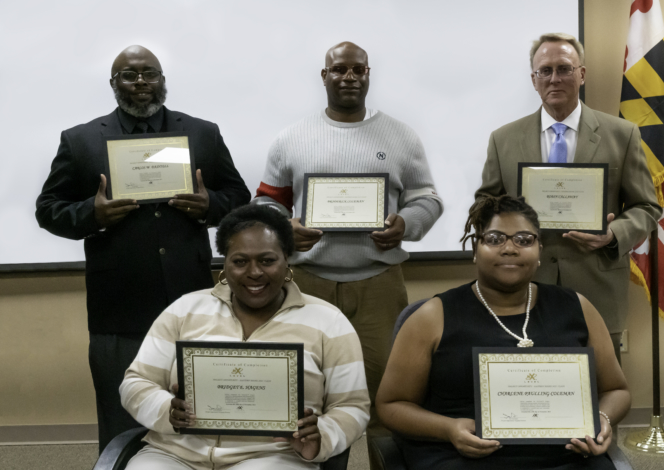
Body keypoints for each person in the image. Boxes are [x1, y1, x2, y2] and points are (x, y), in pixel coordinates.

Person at [35, 45, 251, 452]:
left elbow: (238, 195)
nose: (140, 84)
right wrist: (92, 213)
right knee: (122, 418)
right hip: (118, 306)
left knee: (202, 410)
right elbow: (48, 210)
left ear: (162, 79)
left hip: (192, 300)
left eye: (149, 74)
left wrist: (211, 207)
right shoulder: (80, 140)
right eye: (128, 76)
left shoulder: (202, 133)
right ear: (114, 84)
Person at [252, 41, 443, 464]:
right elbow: (267, 202)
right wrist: (286, 228)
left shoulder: (399, 135)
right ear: (325, 76)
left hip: (378, 286)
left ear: (368, 75)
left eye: (358, 70)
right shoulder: (292, 138)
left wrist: (405, 225)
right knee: (306, 401)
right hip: (306, 286)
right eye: (339, 70)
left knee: (386, 400)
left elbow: (427, 199)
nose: (349, 77)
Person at [376, 195, 631, 470]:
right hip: (461, 457)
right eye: (495, 238)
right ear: (476, 248)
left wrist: (602, 418)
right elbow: (392, 404)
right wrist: (448, 429)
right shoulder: (432, 316)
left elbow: (616, 389)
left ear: (540, 249)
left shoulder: (577, 307)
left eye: (524, 240)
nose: (510, 248)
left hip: (566, 456)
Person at [119, 204, 370, 469]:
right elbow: (136, 382)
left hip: (273, 456)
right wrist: (167, 410)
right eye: (240, 261)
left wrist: (321, 437)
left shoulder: (328, 321)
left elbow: (352, 405)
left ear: (287, 260)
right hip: (175, 452)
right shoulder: (185, 310)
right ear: (225, 264)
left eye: (267, 260)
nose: (254, 273)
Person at [475, 33, 661, 361]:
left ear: (582, 74)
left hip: (597, 287)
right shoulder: (502, 139)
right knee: (531, 391)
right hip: (521, 285)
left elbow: (646, 206)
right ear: (533, 80)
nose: (555, 78)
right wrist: (506, 231)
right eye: (544, 71)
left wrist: (613, 234)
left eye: (564, 68)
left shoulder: (622, 134)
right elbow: (484, 205)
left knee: (599, 391)